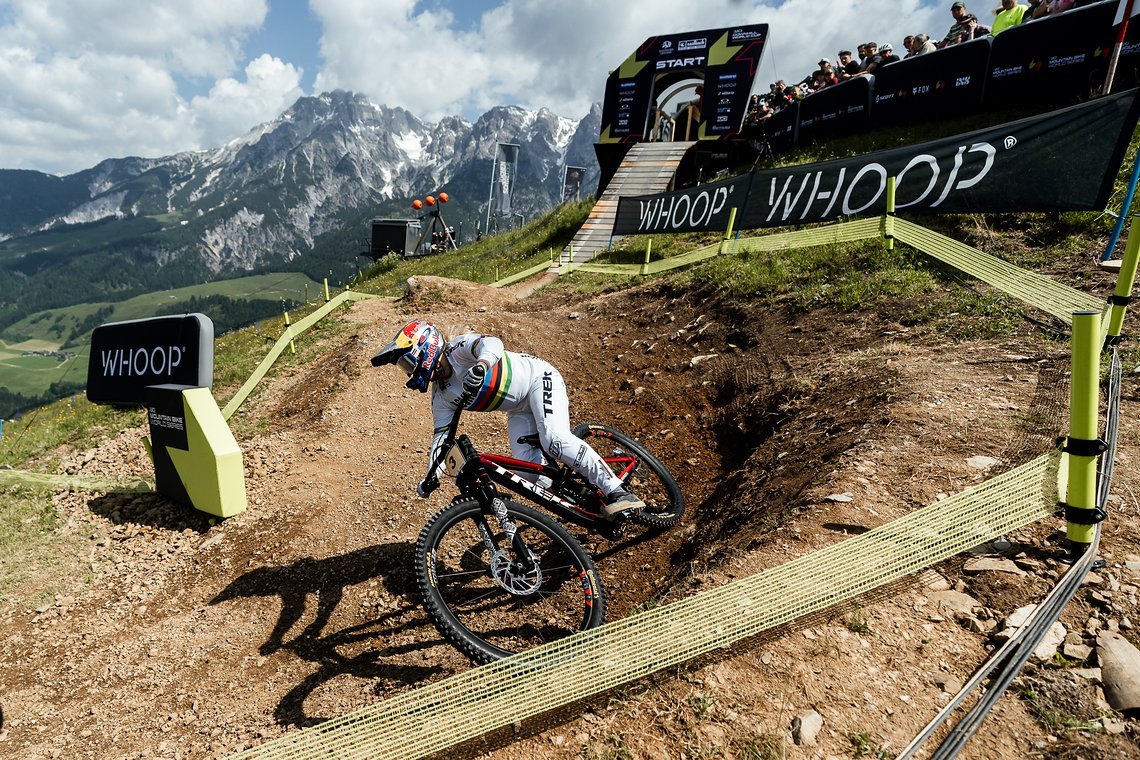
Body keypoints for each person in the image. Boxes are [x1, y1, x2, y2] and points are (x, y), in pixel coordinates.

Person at [373, 320, 646, 520]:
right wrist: (432, 474)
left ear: (426, 347)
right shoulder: (442, 396)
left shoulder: (457, 349)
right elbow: (441, 438)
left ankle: (617, 491)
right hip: (519, 410)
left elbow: (493, 343)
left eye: (408, 364)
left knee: (555, 440)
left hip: (540, 379)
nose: (408, 372)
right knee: (530, 475)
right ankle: (587, 498)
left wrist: (481, 365)